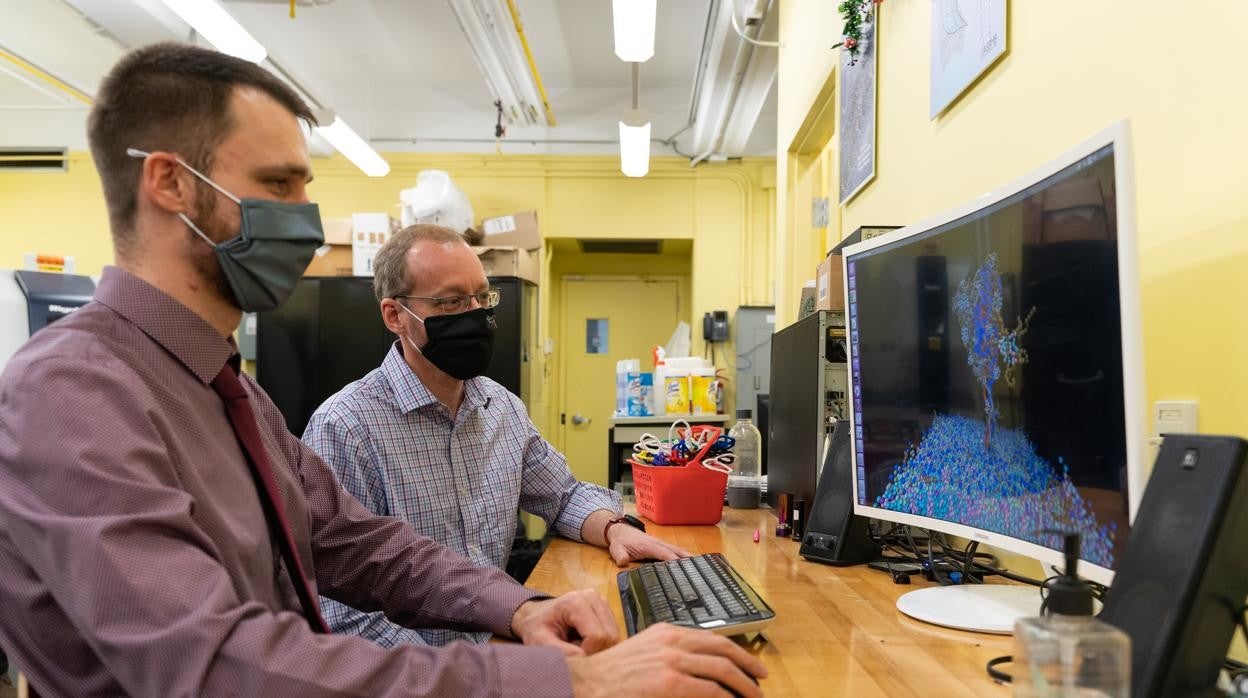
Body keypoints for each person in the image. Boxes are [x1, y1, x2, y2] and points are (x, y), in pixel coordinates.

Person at [0, 42, 765, 698]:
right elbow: (212, 664)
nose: (304, 214)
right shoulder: (71, 392)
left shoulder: (229, 391)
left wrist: (516, 607)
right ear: (169, 183)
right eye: (278, 185)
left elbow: (361, 546)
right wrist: (564, 680)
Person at [303, 224, 690, 647]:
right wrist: (484, 673)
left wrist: (617, 529)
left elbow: (563, 495)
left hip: (501, 637)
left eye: (482, 297)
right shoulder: (345, 428)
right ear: (395, 316)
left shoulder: (500, 407)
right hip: (425, 676)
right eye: (451, 301)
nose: (476, 314)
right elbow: (346, 622)